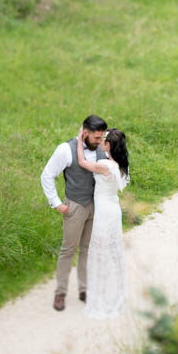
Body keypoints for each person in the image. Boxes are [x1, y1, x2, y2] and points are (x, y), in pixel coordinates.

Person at [40, 114, 108, 311]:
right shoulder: (65, 150)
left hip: (96, 206)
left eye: (102, 137)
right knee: (68, 250)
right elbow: (47, 175)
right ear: (85, 133)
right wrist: (56, 203)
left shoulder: (102, 147)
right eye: (96, 137)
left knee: (87, 249)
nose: (99, 141)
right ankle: (60, 293)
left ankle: (84, 290)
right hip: (75, 205)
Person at [76, 125, 129, 320]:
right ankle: (113, 291)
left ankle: (103, 294)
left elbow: (82, 162)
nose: (100, 143)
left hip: (104, 212)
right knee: (112, 251)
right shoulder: (121, 166)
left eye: (103, 141)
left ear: (108, 146)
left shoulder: (104, 165)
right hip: (114, 210)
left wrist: (79, 141)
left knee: (100, 251)